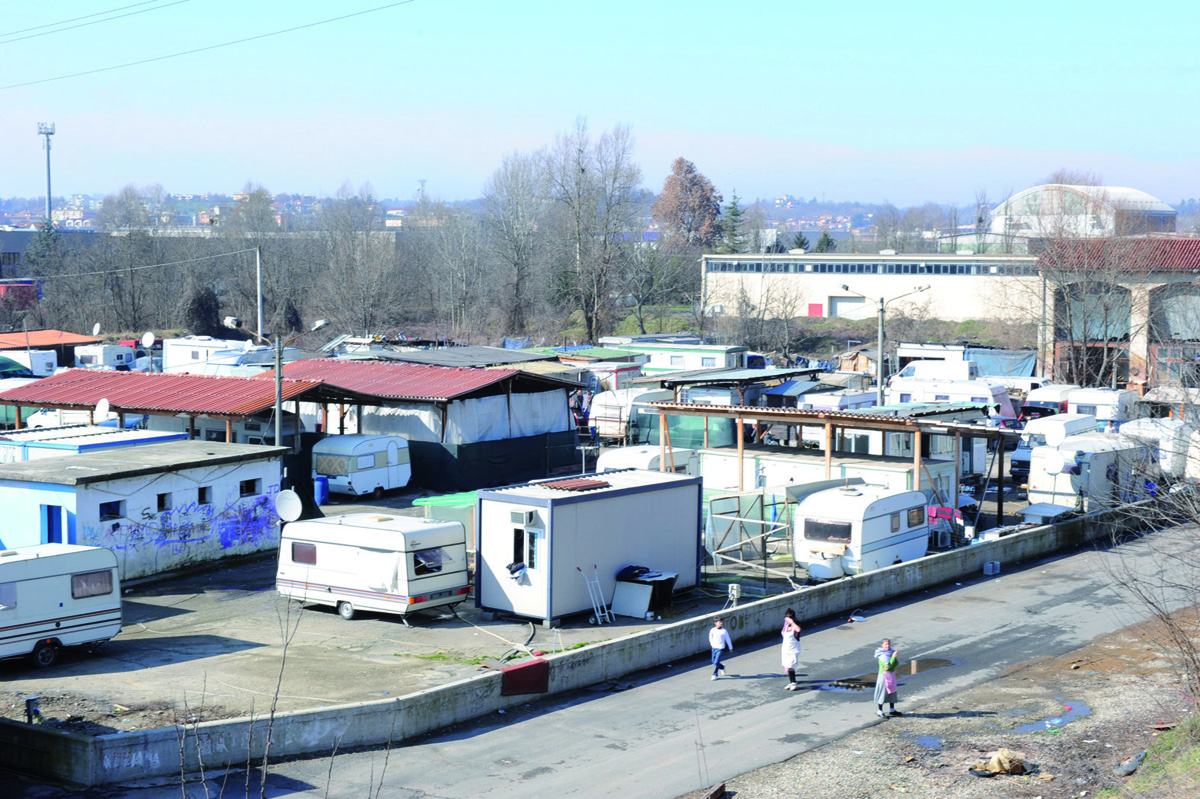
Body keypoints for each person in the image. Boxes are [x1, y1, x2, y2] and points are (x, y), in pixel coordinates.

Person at [873, 638, 901, 718]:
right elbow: (888, 666)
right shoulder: (882, 655)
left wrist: (891, 664)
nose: (887, 646)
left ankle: (892, 710)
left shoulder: (891, 652)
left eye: (888, 644)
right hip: (883, 676)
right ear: (882, 645)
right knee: (882, 693)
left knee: (892, 691)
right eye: (885, 644)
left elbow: (896, 663)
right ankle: (880, 711)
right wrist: (893, 658)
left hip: (891, 675)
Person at [781, 608, 802, 690]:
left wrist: (792, 622)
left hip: (794, 649)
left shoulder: (796, 624)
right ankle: (791, 682)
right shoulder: (785, 625)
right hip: (786, 648)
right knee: (787, 666)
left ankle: (793, 683)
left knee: (791, 666)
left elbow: (798, 629)